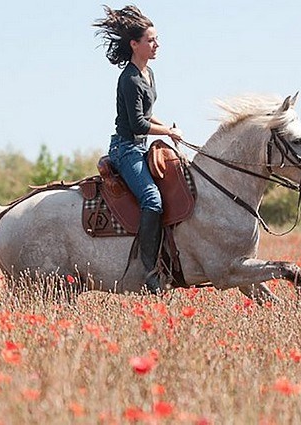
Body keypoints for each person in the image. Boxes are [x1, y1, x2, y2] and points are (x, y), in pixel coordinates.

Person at [94, 5, 183, 294]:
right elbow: (138, 124)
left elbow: (148, 113)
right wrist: (168, 132)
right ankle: (149, 270)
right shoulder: (130, 79)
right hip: (126, 150)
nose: (157, 45)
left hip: (142, 147)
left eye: (157, 39)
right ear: (135, 44)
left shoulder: (149, 74)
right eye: (151, 40)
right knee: (152, 200)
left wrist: (169, 128)